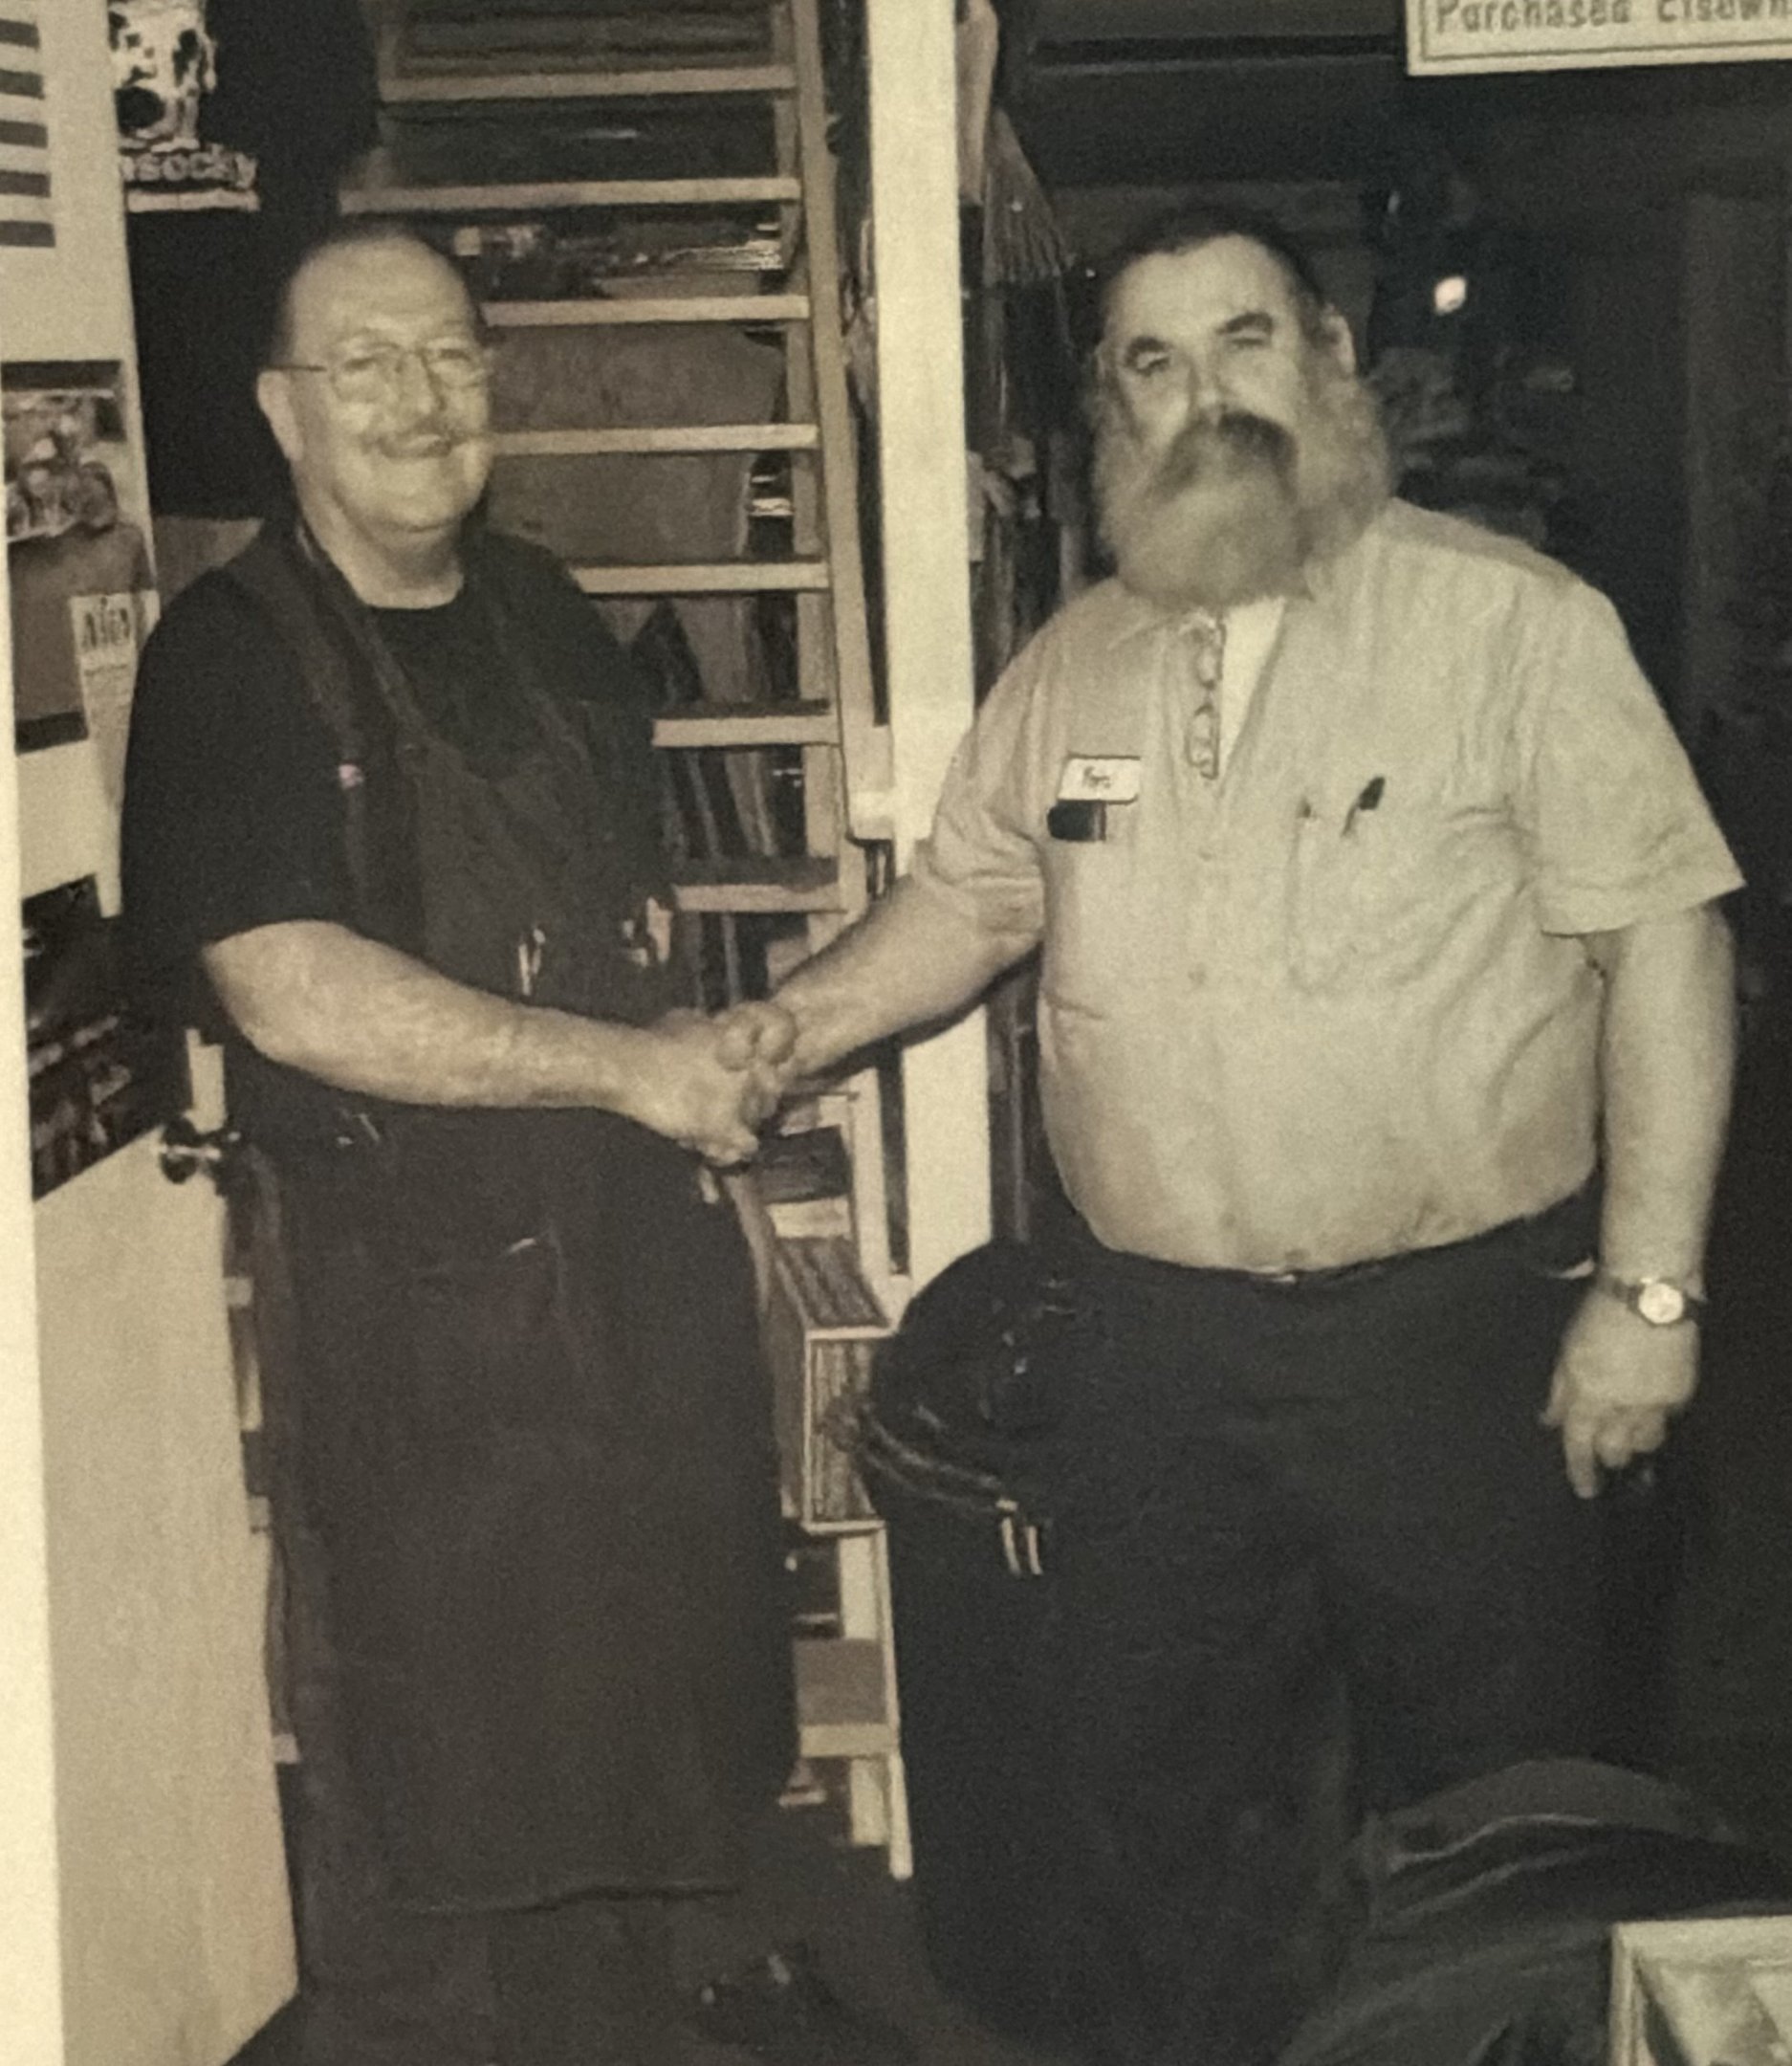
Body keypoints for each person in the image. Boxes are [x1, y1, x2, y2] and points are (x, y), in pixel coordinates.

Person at [731, 203, 1742, 2062]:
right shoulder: (1073, 668)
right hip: (1157, 1362)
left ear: (1331, 362)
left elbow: (1664, 944)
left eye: (1242, 340)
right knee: (1171, 1797)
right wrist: (779, 1032)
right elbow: (966, 905)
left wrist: (1649, 1293)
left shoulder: (1510, 625)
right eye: (1152, 361)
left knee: (1504, 1800)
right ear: (1109, 412)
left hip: (1454, 1347)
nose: (1202, 395)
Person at [120, 223, 874, 2066]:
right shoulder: (230, 657)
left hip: (625, 1233)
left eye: (450, 355)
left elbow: (623, 915)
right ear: (283, 411)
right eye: (364, 365)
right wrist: (630, 1075)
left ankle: (689, 1984)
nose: (417, 400)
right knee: (443, 1712)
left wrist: (710, 1110)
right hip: (414, 1288)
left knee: (673, 1638)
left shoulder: (542, 609)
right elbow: (288, 990)